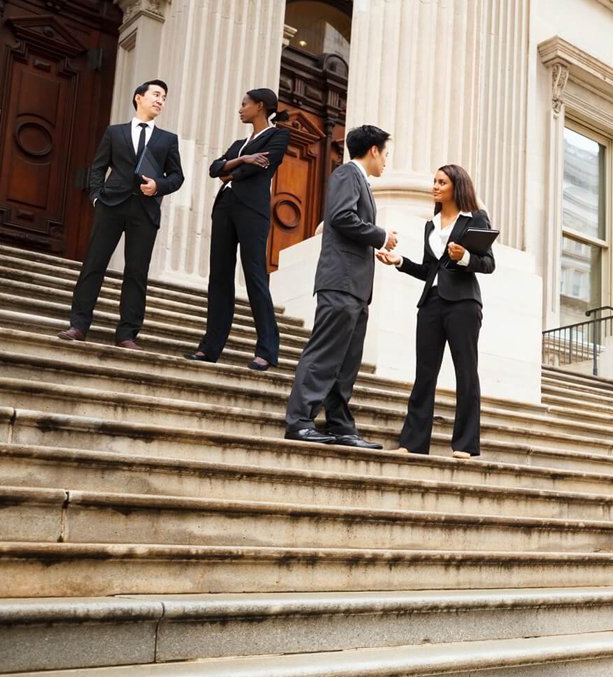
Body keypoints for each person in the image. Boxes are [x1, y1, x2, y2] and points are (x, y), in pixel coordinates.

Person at [283, 124, 398, 448]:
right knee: (324, 354)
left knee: (346, 362)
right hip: (341, 281)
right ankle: (299, 421)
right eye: (386, 153)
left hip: (357, 287)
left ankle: (340, 425)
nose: (386, 161)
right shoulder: (347, 175)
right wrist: (381, 235)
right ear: (373, 150)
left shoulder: (360, 181)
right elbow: (342, 217)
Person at [376, 164, 495, 458]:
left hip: (463, 304)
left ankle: (465, 445)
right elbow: (429, 269)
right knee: (424, 373)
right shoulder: (432, 224)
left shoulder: (475, 218)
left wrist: (465, 256)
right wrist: (399, 261)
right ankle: (413, 443)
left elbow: (489, 263)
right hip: (430, 303)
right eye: (434, 181)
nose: (435, 186)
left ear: (457, 186)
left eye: (442, 182)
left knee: (466, 372)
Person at [58, 79, 185, 349]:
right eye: (156, 94)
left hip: (145, 211)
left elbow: (177, 176)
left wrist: (158, 186)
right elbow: (98, 166)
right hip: (111, 206)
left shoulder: (167, 139)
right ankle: (78, 325)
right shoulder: (114, 132)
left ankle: (127, 334)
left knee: (136, 273)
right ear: (139, 97)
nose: (160, 100)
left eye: (164, 97)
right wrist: (96, 197)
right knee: (94, 264)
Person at [187, 88, 291, 370]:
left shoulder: (279, 135)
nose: (240, 108)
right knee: (219, 276)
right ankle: (209, 348)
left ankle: (267, 350)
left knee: (255, 274)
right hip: (224, 207)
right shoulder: (238, 144)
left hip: (252, 209)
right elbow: (214, 169)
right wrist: (243, 160)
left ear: (260, 106)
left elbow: (264, 164)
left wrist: (231, 170)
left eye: (244, 103)